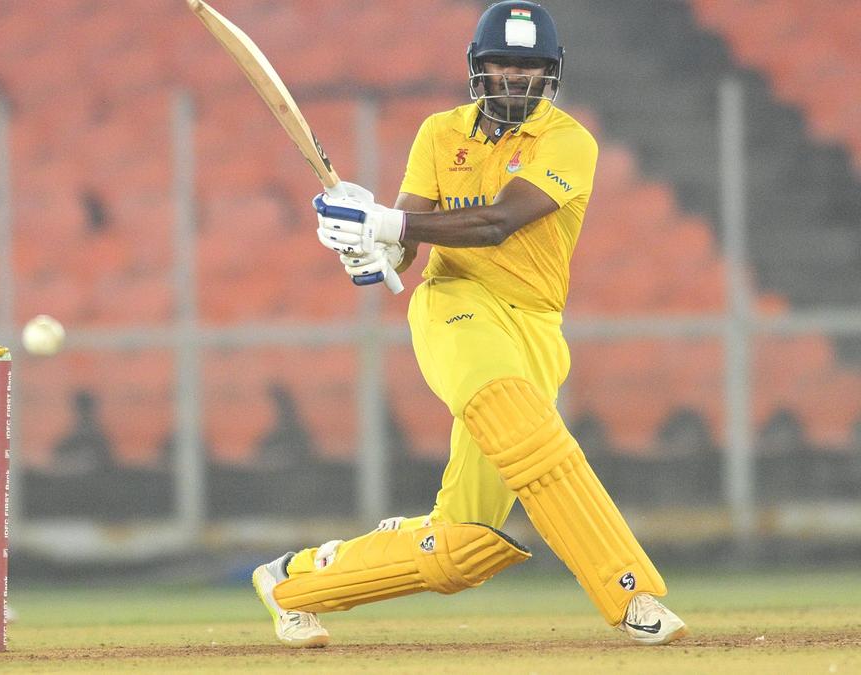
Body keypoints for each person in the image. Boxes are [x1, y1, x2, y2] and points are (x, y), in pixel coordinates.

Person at [251, 1, 688, 648]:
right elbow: (405, 247)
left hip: (535, 325)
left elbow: (497, 222)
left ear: (551, 73)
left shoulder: (568, 140)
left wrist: (388, 224)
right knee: (520, 423)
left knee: (460, 545)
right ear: (478, 68)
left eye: (528, 66)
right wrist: (366, 246)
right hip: (455, 304)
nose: (514, 76)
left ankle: (291, 582)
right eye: (501, 63)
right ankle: (629, 593)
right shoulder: (439, 134)